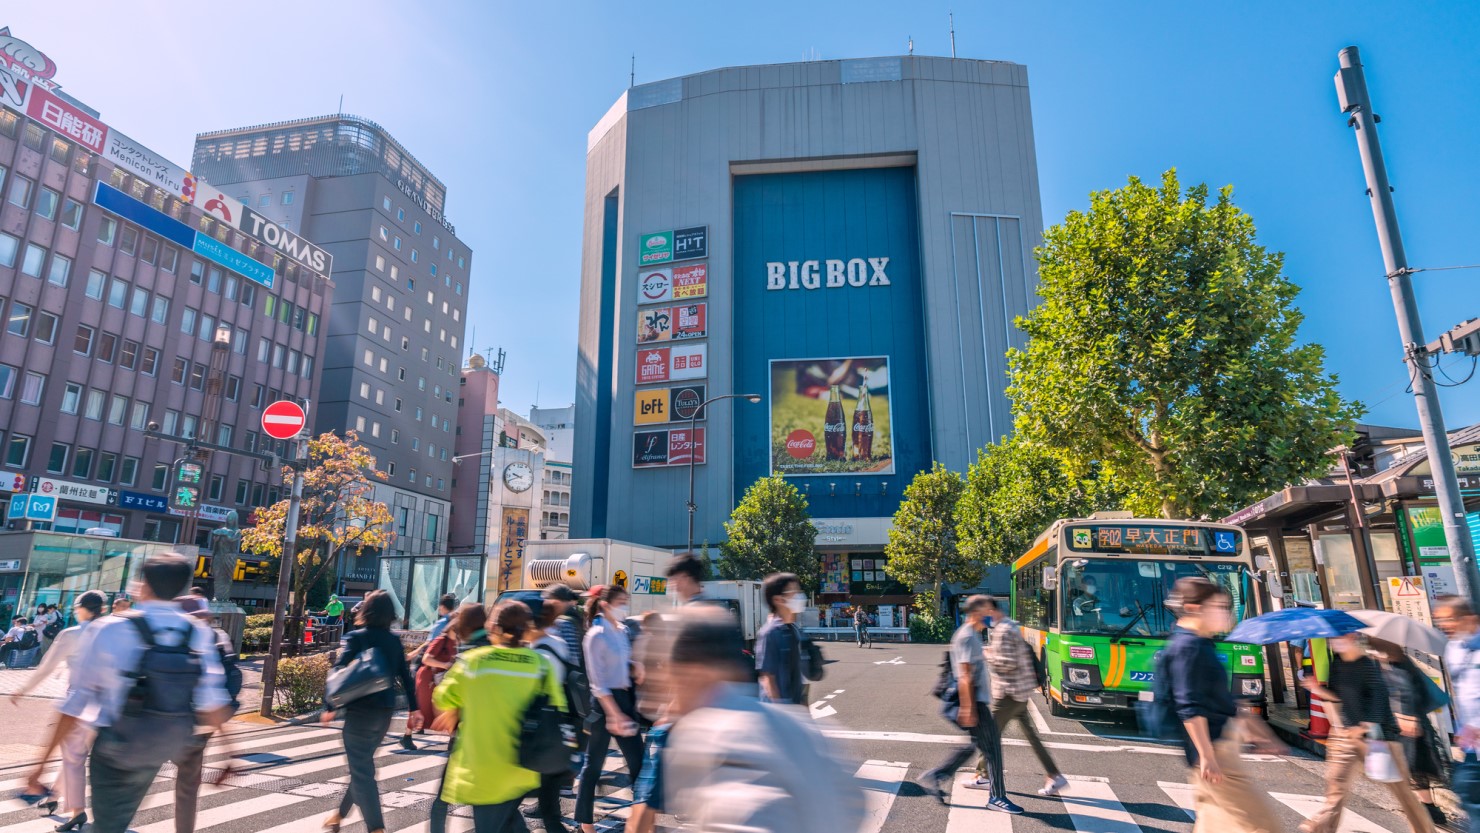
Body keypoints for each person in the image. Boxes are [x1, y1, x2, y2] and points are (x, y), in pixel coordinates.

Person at [48, 554, 232, 833]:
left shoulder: (110, 627)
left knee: (109, 826)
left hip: (118, 747)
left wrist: (39, 765)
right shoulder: (197, 631)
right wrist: (230, 755)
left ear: (143, 585)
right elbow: (212, 700)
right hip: (167, 742)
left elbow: (76, 701)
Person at [663, 606, 865, 830]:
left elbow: (753, 815)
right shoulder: (798, 726)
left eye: (668, 677)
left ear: (693, 673)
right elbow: (853, 798)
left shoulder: (716, 738)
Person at [1158, 576, 1285, 833]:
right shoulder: (1189, 647)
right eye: (1219, 607)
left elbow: (1216, 698)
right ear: (1195, 608)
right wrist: (1207, 756)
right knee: (1262, 827)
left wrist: (1258, 731)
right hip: (1217, 756)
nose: (1226, 615)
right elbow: (1189, 707)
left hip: (1219, 749)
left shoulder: (1200, 643)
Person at [431, 600, 566, 832]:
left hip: (483, 769)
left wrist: (456, 709)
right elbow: (558, 706)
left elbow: (442, 697)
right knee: (509, 823)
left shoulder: (473, 661)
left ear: (494, 627)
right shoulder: (540, 664)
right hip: (523, 766)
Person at [1300, 633, 1434, 833]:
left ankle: (1424, 830)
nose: (1334, 642)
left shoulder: (1367, 664)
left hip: (1379, 738)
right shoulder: (1337, 663)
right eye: (1332, 639)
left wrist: (1364, 726)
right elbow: (1337, 697)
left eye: (1339, 638)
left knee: (1401, 791)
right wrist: (1317, 689)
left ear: (1353, 638)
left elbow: (1379, 697)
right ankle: (1320, 828)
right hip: (1346, 735)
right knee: (1336, 786)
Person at [320, 589, 422, 833]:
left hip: (360, 713)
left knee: (362, 770)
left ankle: (376, 828)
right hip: (384, 713)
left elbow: (339, 672)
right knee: (362, 766)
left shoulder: (357, 638)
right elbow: (406, 678)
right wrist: (414, 709)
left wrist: (329, 706)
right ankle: (339, 816)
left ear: (367, 610)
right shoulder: (394, 641)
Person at [10, 590, 106, 831]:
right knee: (74, 755)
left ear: (83, 608)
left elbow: (46, 667)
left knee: (73, 757)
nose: (75, 610)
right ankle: (53, 797)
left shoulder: (72, 633)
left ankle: (78, 812)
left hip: (77, 701)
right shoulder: (110, 633)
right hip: (106, 705)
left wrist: (23, 689)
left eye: (76, 606)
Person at [919, 595, 1023, 814]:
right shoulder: (967, 636)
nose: (991, 614)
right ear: (977, 612)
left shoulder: (972, 635)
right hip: (974, 701)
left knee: (977, 744)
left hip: (976, 701)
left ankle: (936, 775)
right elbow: (965, 675)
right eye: (987, 610)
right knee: (992, 749)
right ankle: (997, 797)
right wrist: (968, 708)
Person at [977, 595, 1066, 796]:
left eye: (983, 613)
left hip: (1008, 693)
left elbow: (1007, 663)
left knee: (990, 734)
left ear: (990, 611)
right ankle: (1054, 774)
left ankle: (983, 775)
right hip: (1020, 692)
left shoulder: (1003, 630)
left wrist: (987, 654)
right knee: (1031, 736)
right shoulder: (1010, 626)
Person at [575, 584, 646, 833]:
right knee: (593, 765)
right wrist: (613, 714)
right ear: (605, 604)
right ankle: (586, 823)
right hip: (605, 704)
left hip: (625, 700)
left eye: (626, 601)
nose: (624, 606)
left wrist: (635, 666)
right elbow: (598, 682)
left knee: (639, 763)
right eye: (621, 602)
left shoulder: (623, 630)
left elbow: (622, 661)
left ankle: (641, 821)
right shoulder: (595, 635)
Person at [172, 594, 243, 833]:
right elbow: (215, 697)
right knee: (188, 786)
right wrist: (229, 753)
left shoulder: (173, 639)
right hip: (201, 725)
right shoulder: (214, 637)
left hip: (166, 723)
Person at [425, 603, 492, 833]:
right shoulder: (496, 648)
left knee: (444, 796)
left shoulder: (467, 654)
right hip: (496, 734)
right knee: (494, 801)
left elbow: (444, 697)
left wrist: (451, 711)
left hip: (466, 733)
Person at [1371, 638, 1447, 826]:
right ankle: (1427, 808)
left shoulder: (1394, 663)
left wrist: (1406, 717)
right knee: (1414, 767)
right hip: (1409, 723)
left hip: (1406, 725)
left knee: (1410, 767)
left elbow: (1404, 692)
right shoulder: (1399, 660)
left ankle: (1425, 811)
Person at [527, 599, 575, 832]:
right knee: (550, 806)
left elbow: (536, 690)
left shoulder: (537, 652)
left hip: (543, 728)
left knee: (545, 806)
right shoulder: (558, 643)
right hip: (561, 725)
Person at [1438, 596, 1480, 827]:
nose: (1445, 626)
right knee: (1466, 790)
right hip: (1472, 745)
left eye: (1450, 619)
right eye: (1440, 621)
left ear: (1470, 619)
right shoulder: (1453, 649)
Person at [402, 604, 461, 751]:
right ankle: (407, 736)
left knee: (448, 707)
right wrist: (445, 664)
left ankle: (452, 739)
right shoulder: (441, 639)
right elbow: (426, 658)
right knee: (422, 707)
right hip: (428, 677)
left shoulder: (455, 642)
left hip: (440, 678)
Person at [756, 572, 808, 705]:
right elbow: (768, 678)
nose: (799, 595)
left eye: (799, 590)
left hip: (795, 708)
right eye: (793, 591)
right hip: (779, 713)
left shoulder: (793, 629)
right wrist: (782, 715)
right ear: (778, 599)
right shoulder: (770, 633)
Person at [543, 582, 585, 668]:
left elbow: (573, 658)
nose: (547, 603)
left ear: (559, 601)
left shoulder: (565, 623)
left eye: (550, 599)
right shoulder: (574, 617)